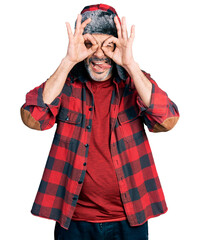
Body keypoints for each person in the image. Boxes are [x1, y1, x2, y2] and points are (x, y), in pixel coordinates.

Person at [20, 3, 179, 240]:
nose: (99, 54)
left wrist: (130, 64)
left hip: (130, 220)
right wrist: (68, 62)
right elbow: (33, 118)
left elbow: (166, 120)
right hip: (74, 221)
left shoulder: (135, 83)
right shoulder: (65, 84)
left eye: (109, 45)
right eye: (89, 44)